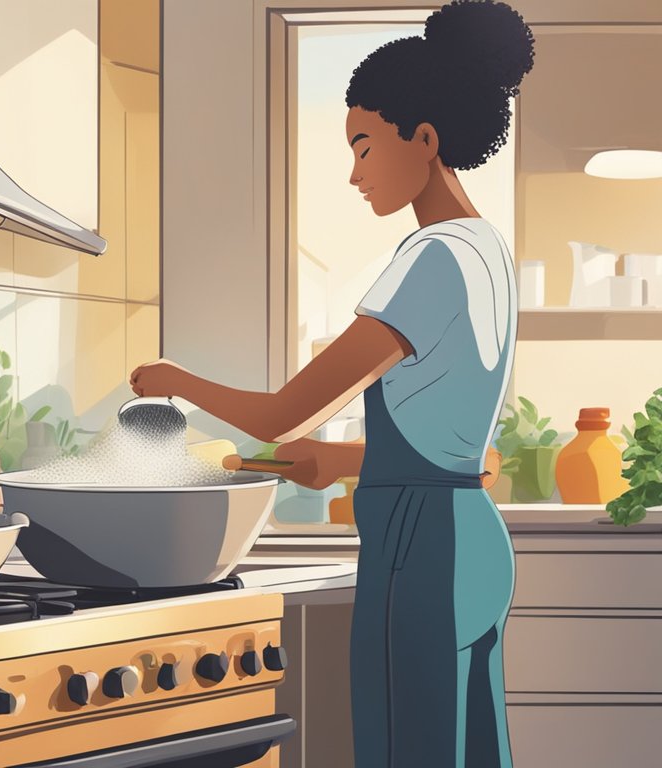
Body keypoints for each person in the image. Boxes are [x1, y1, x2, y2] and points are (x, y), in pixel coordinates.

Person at [129, 1, 534, 765]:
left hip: (422, 551)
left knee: (406, 753)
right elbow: (462, 451)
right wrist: (339, 464)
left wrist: (175, 379)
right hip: (476, 544)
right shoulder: (490, 252)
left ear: (425, 139)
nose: (354, 173)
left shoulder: (429, 259)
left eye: (364, 146)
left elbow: (283, 414)